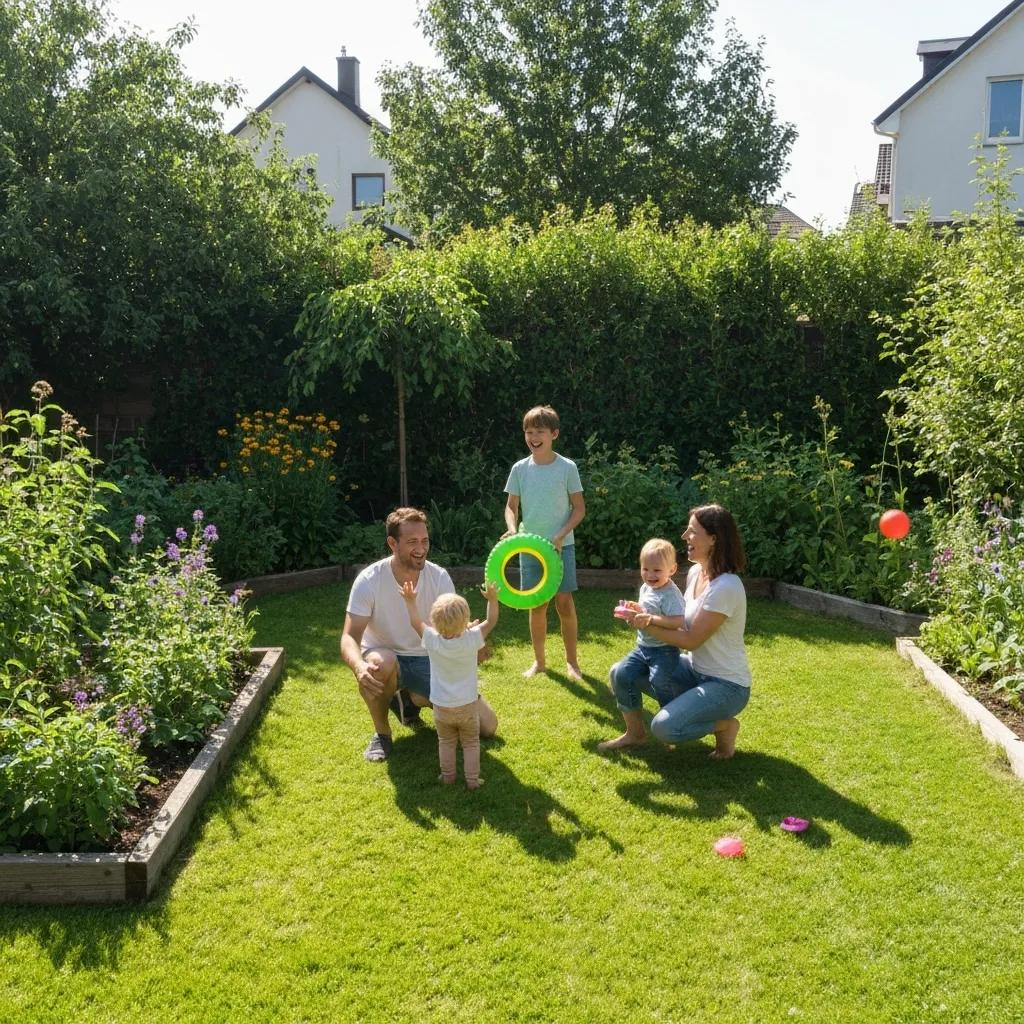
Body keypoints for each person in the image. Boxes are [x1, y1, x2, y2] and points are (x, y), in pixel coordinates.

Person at [340, 507, 498, 762]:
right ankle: (382, 734)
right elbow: (349, 637)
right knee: (380, 665)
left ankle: (411, 699)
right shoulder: (369, 580)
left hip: (430, 659)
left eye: (424, 541)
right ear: (393, 543)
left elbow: (451, 627)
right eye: (412, 541)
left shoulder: (439, 577)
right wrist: (359, 666)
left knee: (488, 727)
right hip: (388, 657)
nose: (421, 548)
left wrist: (468, 642)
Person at [598, 504, 751, 760]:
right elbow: (675, 620)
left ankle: (725, 725)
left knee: (665, 728)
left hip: (727, 685)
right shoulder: (695, 573)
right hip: (695, 670)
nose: (684, 537)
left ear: (713, 538)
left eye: (692, 532)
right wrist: (642, 613)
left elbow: (691, 640)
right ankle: (634, 734)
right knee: (620, 672)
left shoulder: (726, 586)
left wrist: (647, 623)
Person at [502, 405, 586, 681]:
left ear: (554, 434)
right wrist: (513, 530)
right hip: (529, 547)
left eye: (539, 431)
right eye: (529, 431)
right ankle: (539, 663)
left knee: (564, 603)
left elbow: (579, 509)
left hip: (562, 546)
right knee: (537, 605)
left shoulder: (567, 467)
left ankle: (572, 663)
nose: (533, 437)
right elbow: (511, 507)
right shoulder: (519, 469)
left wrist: (561, 535)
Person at [400, 581, 499, 789]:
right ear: (466, 621)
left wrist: (410, 601)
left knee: (446, 742)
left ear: (434, 621)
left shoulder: (432, 640)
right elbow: (491, 620)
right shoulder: (472, 638)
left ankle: (448, 776)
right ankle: (472, 780)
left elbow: (415, 622)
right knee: (471, 743)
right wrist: (492, 599)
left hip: (441, 706)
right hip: (468, 705)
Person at [612, 538, 686, 705]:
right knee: (622, 673)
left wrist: (650, 619)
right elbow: (647, 610)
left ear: (672, 569)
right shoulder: (647, 587)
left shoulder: (670, 595)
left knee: (659, 681)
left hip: (665, 650)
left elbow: (678, 621)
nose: (650, 575)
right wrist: (636, 609)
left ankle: (673, 712)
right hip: (643, 647)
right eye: (645, 569)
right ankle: (634, 721)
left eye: (657, 570)